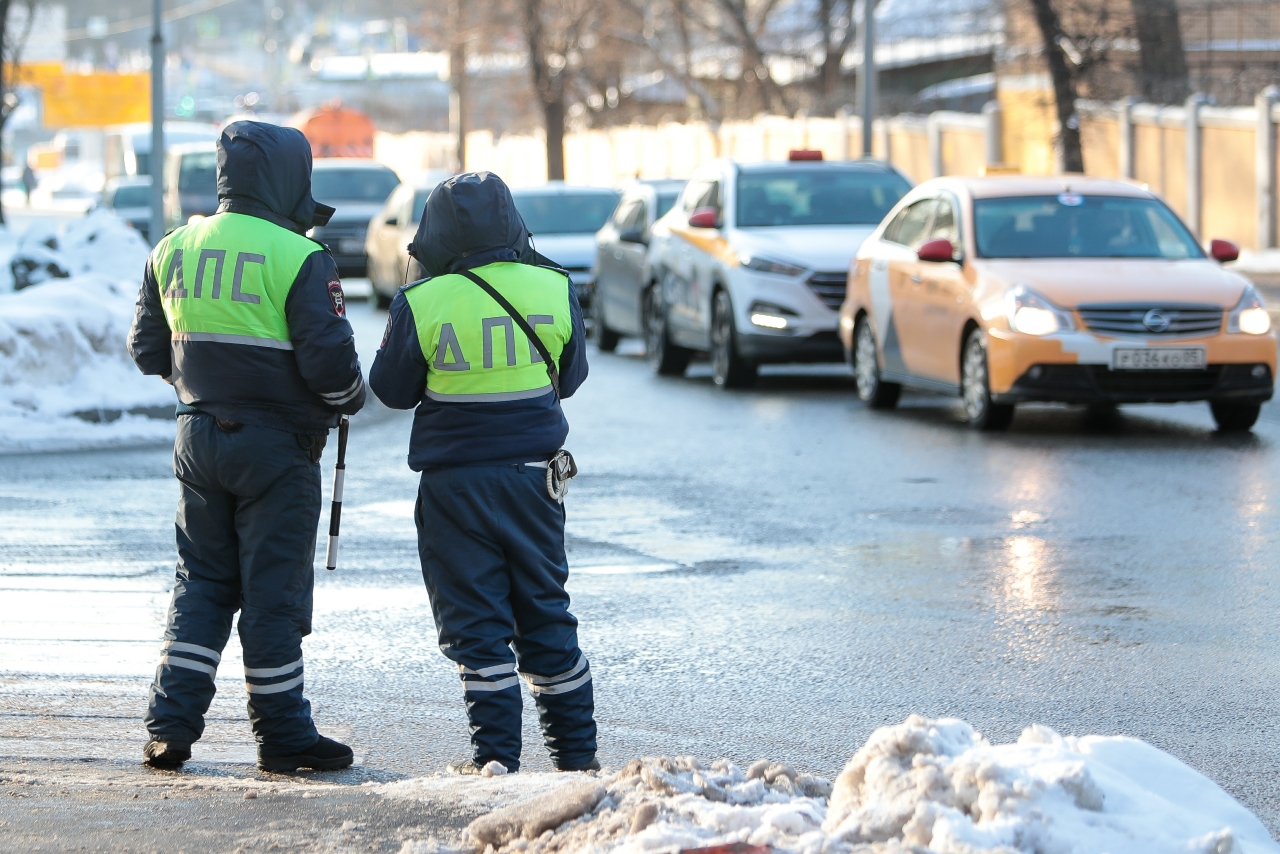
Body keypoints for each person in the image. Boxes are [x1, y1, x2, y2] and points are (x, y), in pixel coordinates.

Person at [127, 121, 367, 773]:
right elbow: (331, 367)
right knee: (273, 593)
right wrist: (350, 398)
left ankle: (169, 729)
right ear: (292, 178)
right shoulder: (300, 257)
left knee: (200, 582)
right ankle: (283, 735)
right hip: (279, 450)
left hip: (197, 439)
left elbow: (146, 349)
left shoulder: (174, 246)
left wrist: (205, 378)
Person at [369, 171, 597, 775]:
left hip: (454, 489)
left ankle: (495, 761)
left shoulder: (424, 301)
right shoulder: (553, 285)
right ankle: (578, 763)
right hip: (534, 482)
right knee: (547, 614)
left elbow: (390, 391)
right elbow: (570, 379)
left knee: (478, 625)